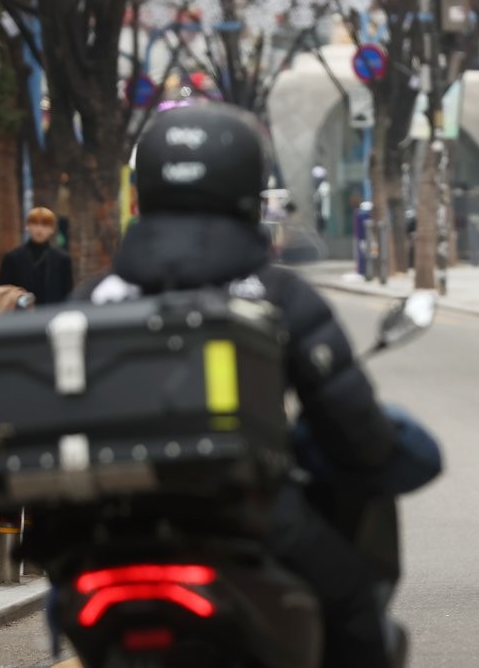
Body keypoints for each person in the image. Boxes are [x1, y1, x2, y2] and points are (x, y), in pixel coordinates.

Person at [77, 104, 407, 667]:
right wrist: (376, 452)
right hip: (248, 518)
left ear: (145, 190)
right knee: (352, 601)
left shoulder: (93, 297)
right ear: (248, 190)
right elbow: (349, 423)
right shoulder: (275, 293)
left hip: (107, 531)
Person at [0, 207, 73, 305]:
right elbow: (2, 294)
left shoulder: (62, 259)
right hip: (20, 317)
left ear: (52, 229)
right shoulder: (12, 258)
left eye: (45, 225)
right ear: (27, 226)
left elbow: (68, 295)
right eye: (35, 224)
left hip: (52, 315)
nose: (39, 229)